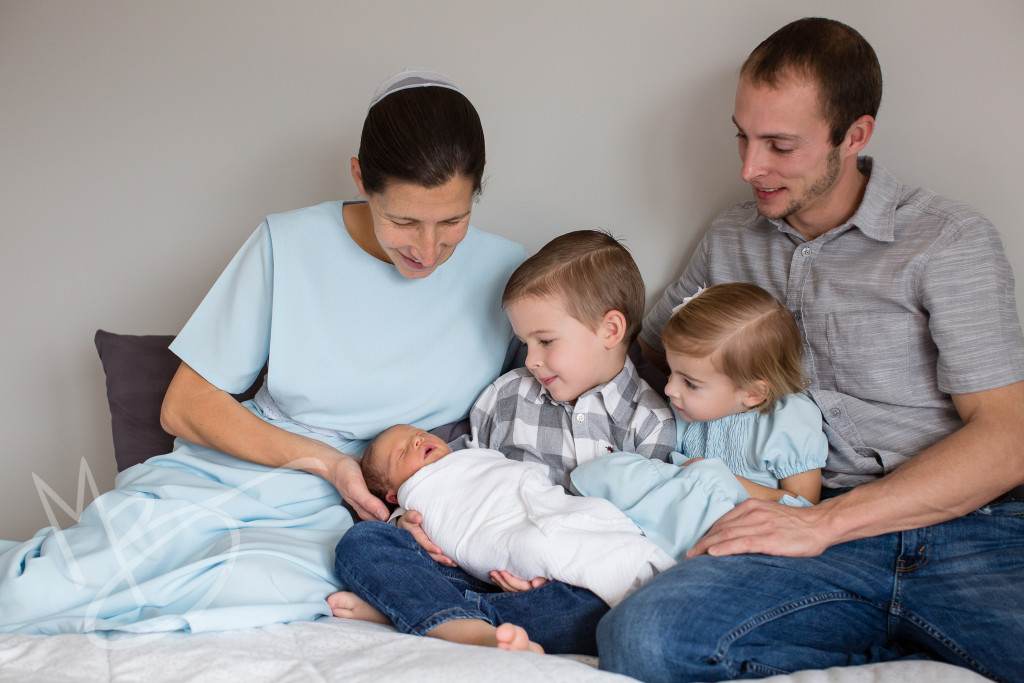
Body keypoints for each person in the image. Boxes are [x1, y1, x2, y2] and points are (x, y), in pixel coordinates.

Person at [0, 69, 525, 635]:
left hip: (381, 519)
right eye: (404, 221)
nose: (428, 249)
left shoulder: (509, 274)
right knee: (51, 588)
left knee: (244, 585)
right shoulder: (289, 242)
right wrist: (331, 465)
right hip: (253, 475)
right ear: (359, 177)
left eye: (452, 221)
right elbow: (185, 406)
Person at [596, 18, 1024, 683]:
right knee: (643, 638)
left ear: (854, 135)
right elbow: (643, 358)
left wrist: (825, 523)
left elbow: (1007, 437)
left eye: (779, 145)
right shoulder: (731, 239)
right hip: (802, 532)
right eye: (742, 135)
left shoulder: (949, 241)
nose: (748, 167)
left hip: (968, 530)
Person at [331, 229, 676, 654]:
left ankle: (433, 616)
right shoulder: (508, 395)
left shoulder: (650, 423)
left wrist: (549, 574)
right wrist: (411, 520)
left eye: (545, 341)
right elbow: (456, 477)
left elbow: (638, 535)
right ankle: (447, 615)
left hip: (566, 585)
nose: (530, 359)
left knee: (612, 612)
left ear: (610, 329)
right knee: (363, 544)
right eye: (525, 343)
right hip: (475, 561)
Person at [330, 423, 671, 647]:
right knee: (363, 541)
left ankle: (417, 614)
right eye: (402, 452)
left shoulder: (476, 455)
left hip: (526, 564)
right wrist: (401, 526)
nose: (417, 440)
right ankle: (450, 622)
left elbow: (525, 491)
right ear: (393, 495)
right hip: (461, 573)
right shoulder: (408, 506)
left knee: (602, 614)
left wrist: (541, 571)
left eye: (417, 433)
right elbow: (398, 544)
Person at [571, 282, 828, 561]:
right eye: (671, 372)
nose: (669, 389)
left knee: (703, 481)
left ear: (752, 393)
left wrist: (724, 480)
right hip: (679, 509)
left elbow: (804, 510)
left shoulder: (787, 421)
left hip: (739, 520)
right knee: (614, 467)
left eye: (690, 383)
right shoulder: (683, 411)